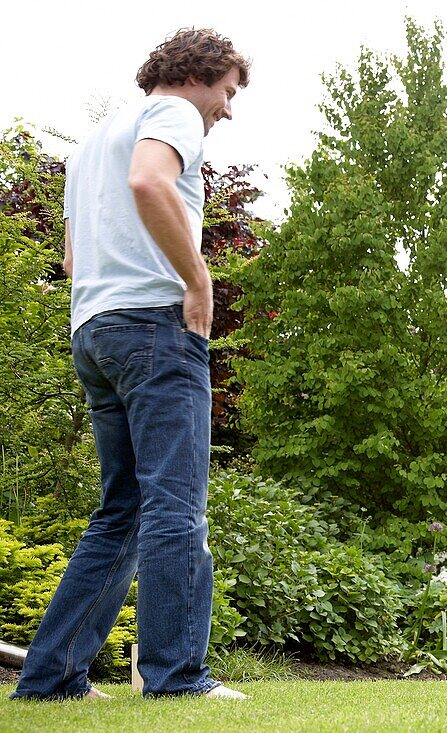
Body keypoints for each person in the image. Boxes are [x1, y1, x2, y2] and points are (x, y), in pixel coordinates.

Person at [11, 29, 251, 700]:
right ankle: (178, 678)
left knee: (124, 510)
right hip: (154, 327)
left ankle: (52, 676)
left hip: (95, 329)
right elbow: (150, 181)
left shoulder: (92, 144)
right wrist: (197, 280)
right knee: (177, 505)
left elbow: (70, 260)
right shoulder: (171, 113)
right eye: (228, 92)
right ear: (198, 75)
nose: (227, 109)